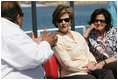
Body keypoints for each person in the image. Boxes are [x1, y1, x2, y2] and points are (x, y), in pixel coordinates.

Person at [52, 5, 114, 79]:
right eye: (60, 20)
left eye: (66, 20)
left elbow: (88, 54)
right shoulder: (57, 39)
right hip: (71, 74)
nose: (63, 22)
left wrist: (92, 63)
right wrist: (87, 66)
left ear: (70, 20)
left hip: (89, 69)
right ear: (56, 22)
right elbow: (68, 64)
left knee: (107, 73)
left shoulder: (77, 35)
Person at [1, 1, 57, 79]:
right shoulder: (11, 32)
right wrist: (47, 43)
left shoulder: (5, 29)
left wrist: (33, 45)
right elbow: (35, 57)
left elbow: (18, 53)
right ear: (18, 18)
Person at [83, 8, 117, 78]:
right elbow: (81, 45)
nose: (99, 23)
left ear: (107, 22)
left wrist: (103, 63)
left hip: (110, 61)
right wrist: (89, 29)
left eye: (102, 21)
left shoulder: (115, 32)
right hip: (96, 64)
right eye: (96, 20)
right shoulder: (91, 35)